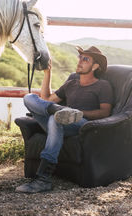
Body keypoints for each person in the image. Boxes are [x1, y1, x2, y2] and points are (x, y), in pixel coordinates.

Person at [16, 46, 114, 193]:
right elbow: (47, 99)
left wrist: (79, 112)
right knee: (29, 98)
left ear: (95, 66)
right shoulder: (71, 84)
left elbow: (105, 112)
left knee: (56, 119)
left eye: (85, 59)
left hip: (81, 124)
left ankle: (43, 179)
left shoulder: (102, 86)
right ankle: (59, 110)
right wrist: (47, 73)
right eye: (79, 58)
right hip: (58, 121)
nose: (80, 61)